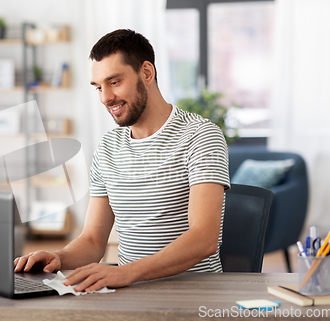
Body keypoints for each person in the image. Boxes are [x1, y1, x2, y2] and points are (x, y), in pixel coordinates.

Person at [14, 29, 230, 292]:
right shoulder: (108, 148)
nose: (105, 98)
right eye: (98, 87)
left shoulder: (201, 136)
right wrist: (59, 257)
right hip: (133, 293)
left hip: (193, 295)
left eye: (114, 82)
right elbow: (93, 240)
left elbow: (204, 238)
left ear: (146, 73)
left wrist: (126, 273)